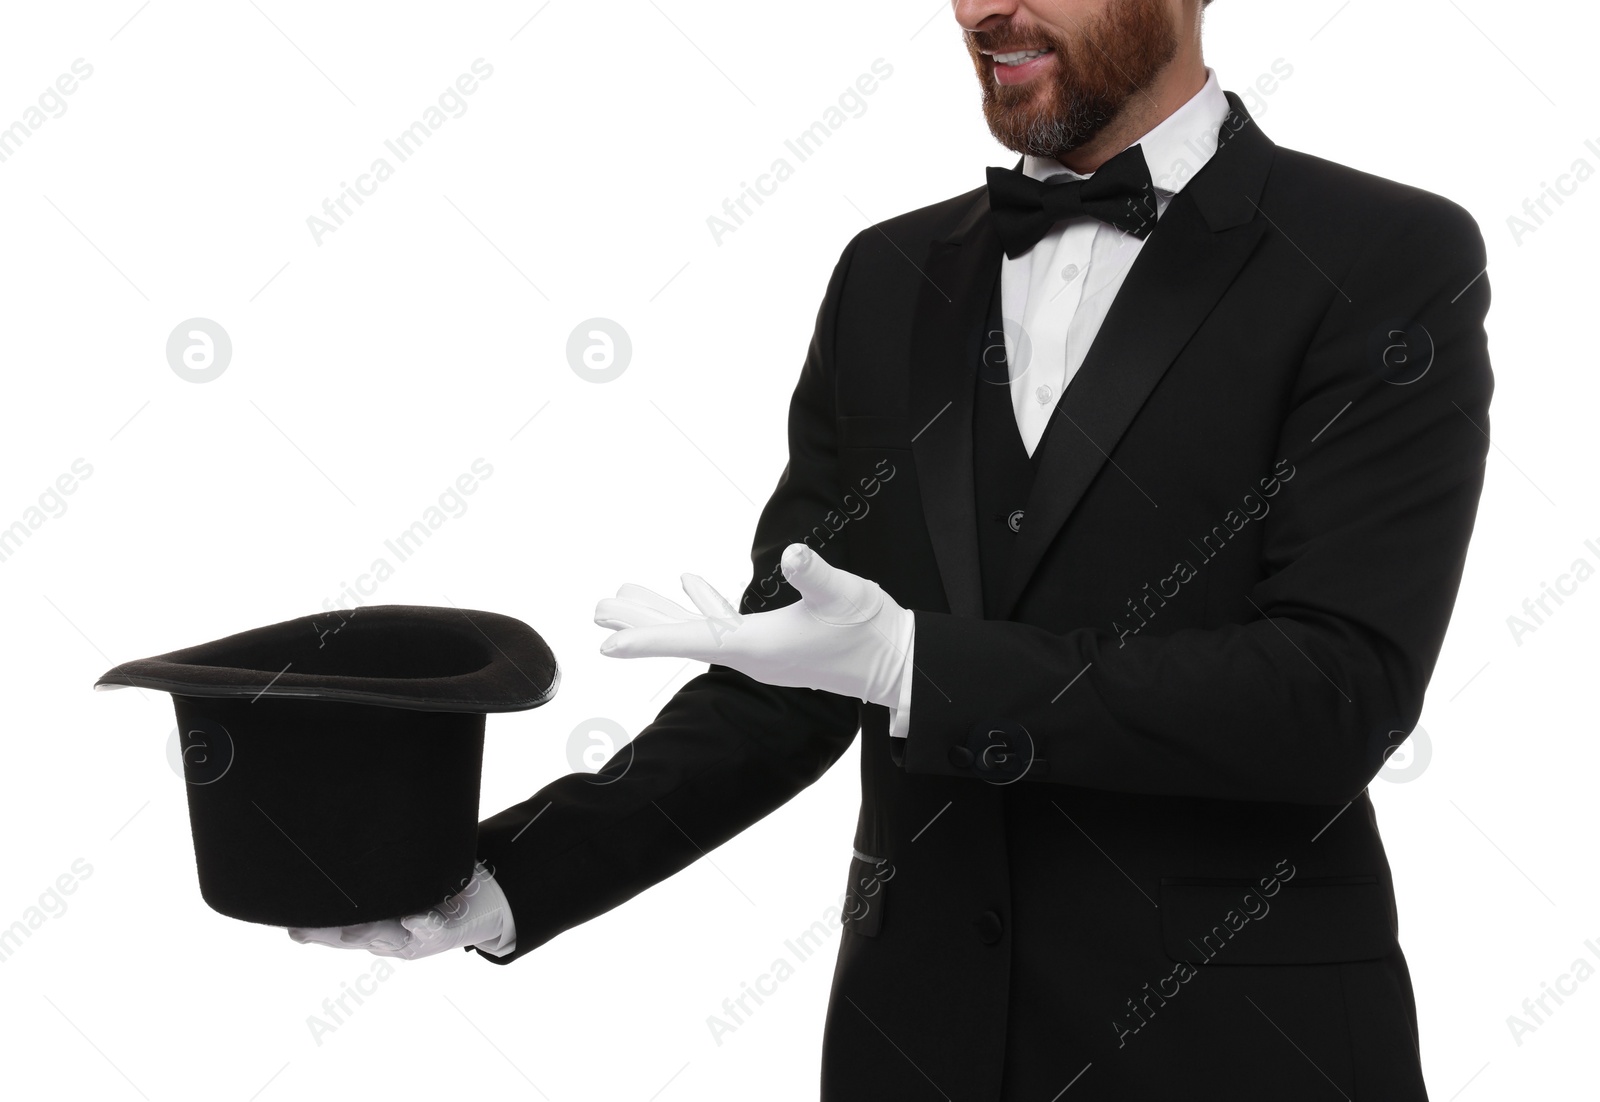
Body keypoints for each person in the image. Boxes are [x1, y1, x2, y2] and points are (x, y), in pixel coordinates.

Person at [294, 1, 1493, 1097]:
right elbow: (789, 682)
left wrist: (919, 666)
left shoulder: (1383, 257)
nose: (982, 9)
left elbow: (1334, 696)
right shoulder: (890, 274)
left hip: (1241, 1052)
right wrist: (504, 878)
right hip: (913, 1048)